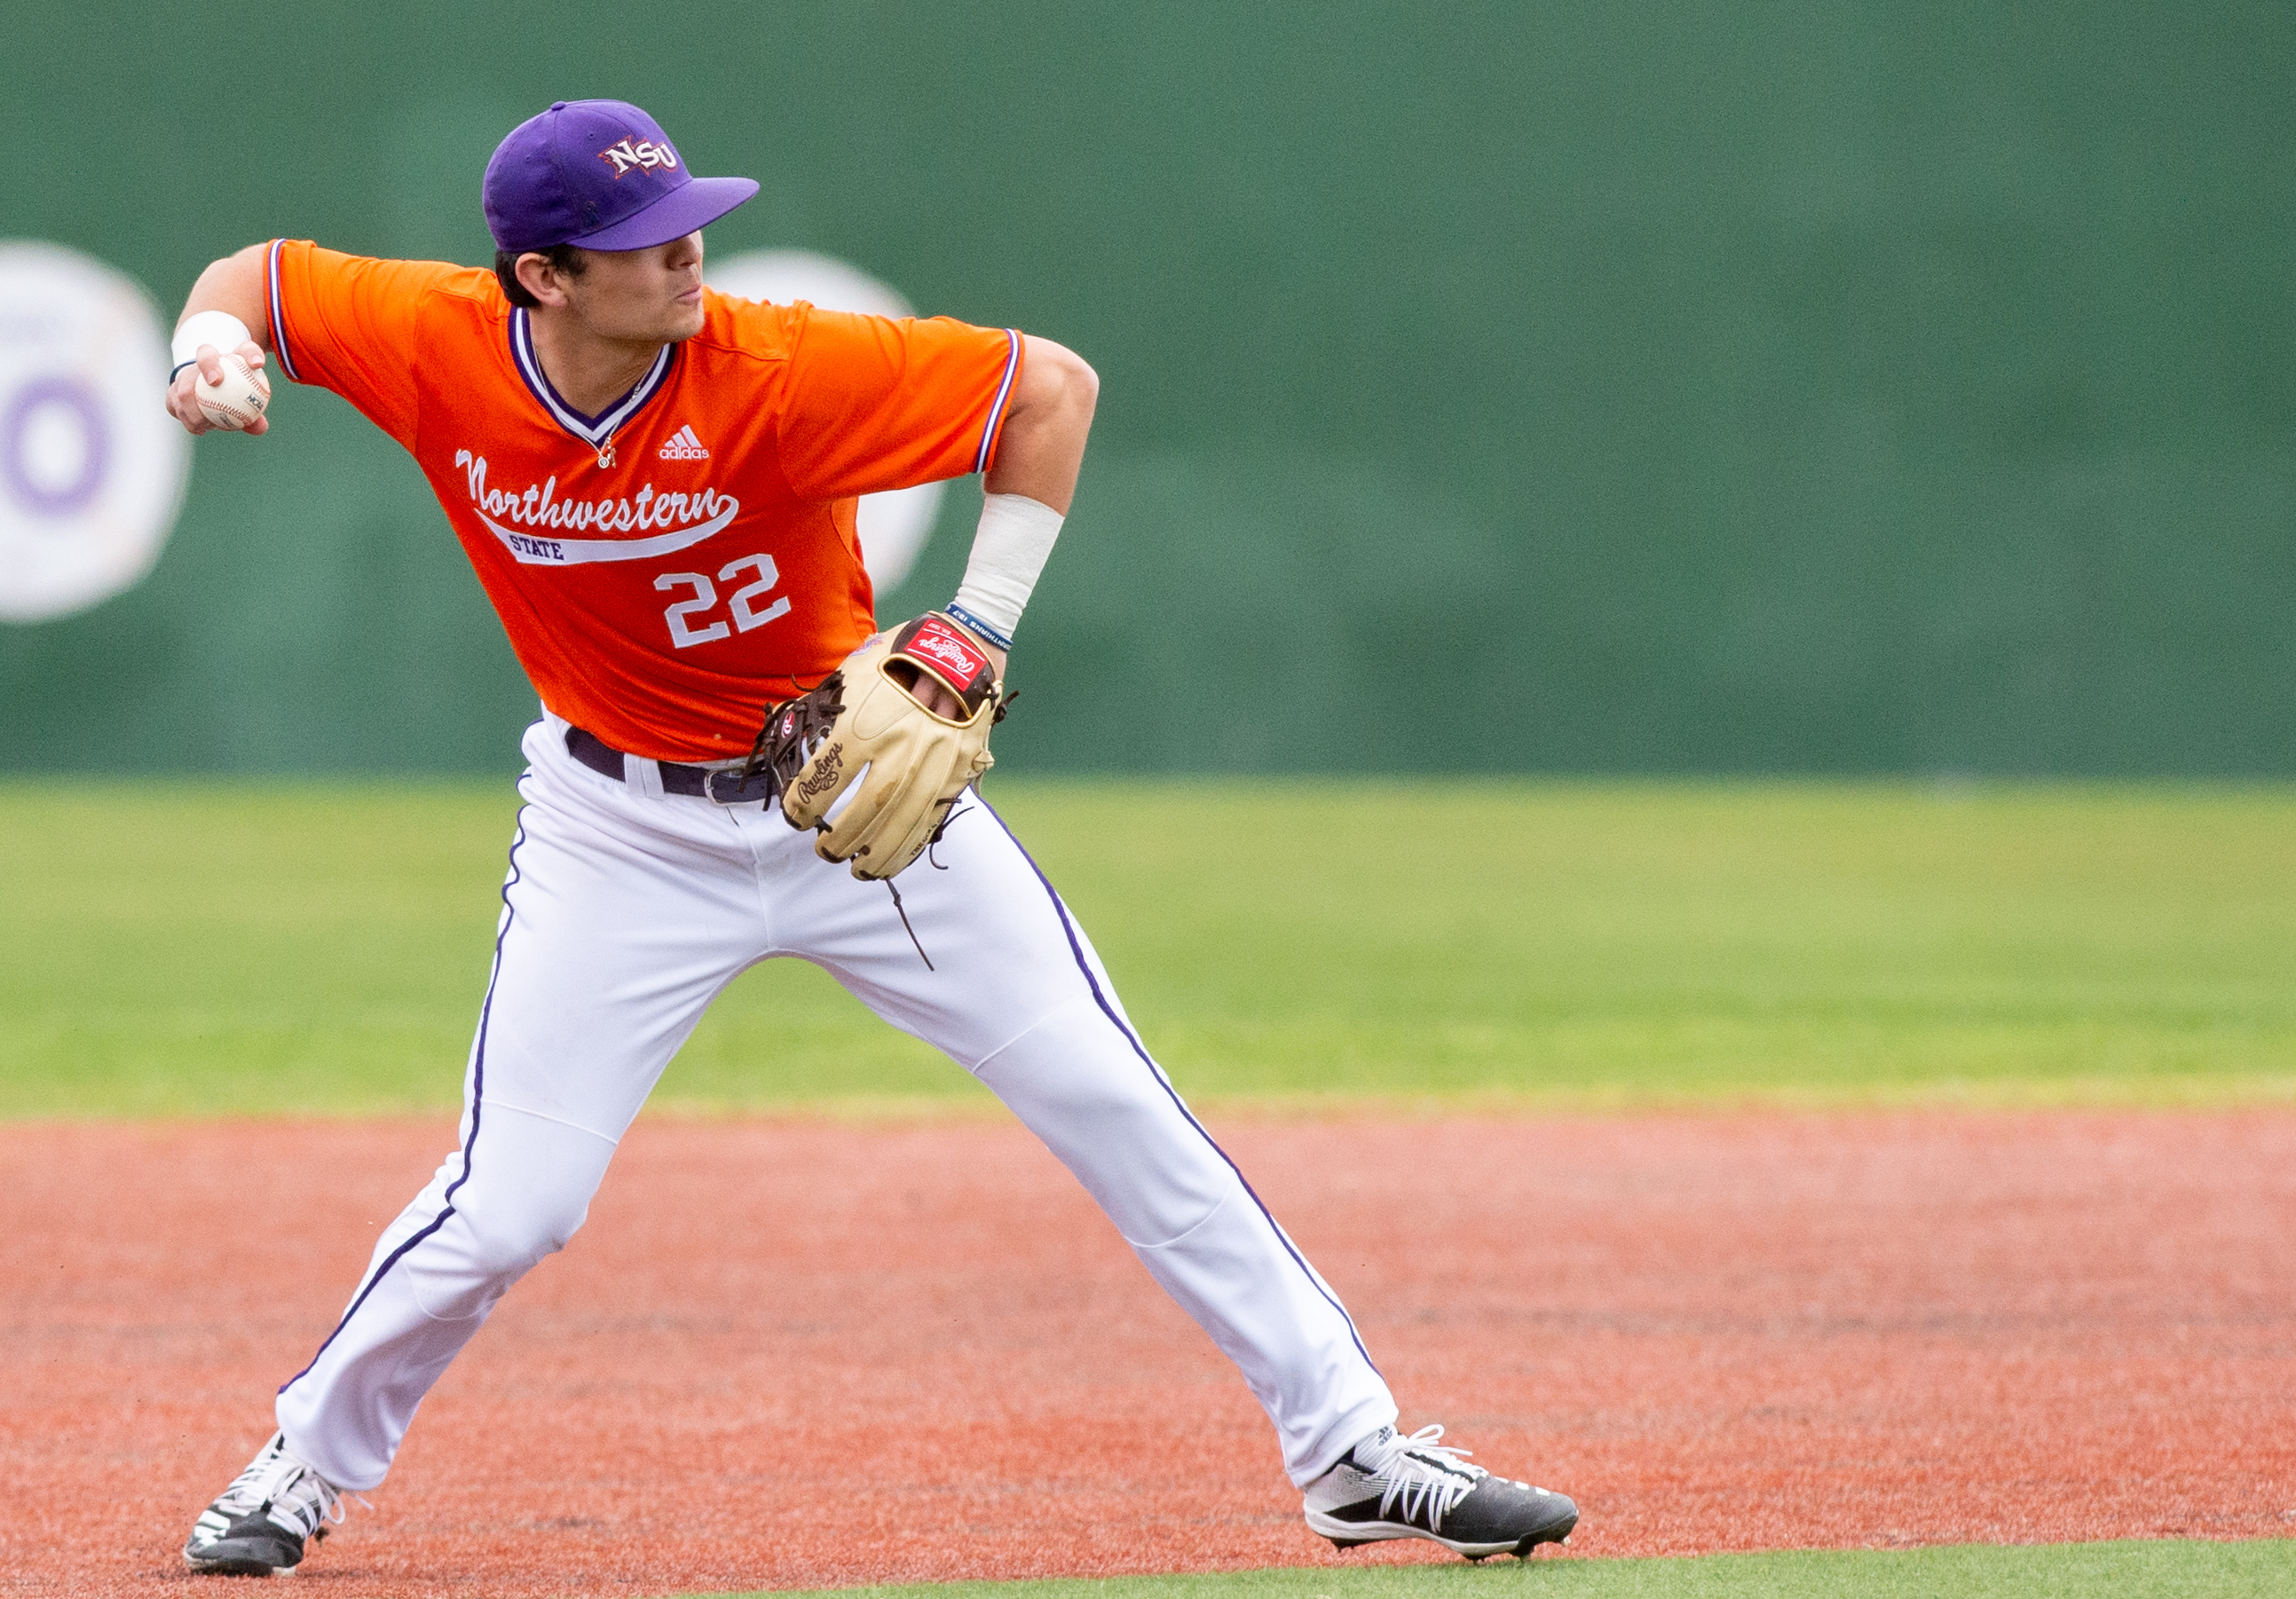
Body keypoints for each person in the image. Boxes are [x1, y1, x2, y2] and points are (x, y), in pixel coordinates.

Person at [162, 98, 1578, 1578]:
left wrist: (974, 626)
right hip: (617, 833)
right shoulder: (434, 338)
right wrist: (204, 347)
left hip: (850, 800)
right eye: (643, 242)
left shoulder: (777, 361)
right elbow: (256, 280)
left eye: (688, 217)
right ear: (545, 278)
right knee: (513, 1205)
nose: (687, 251)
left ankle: (1354, 1450)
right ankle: (301, 1463)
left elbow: (1052, 391)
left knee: (1119, 1106)